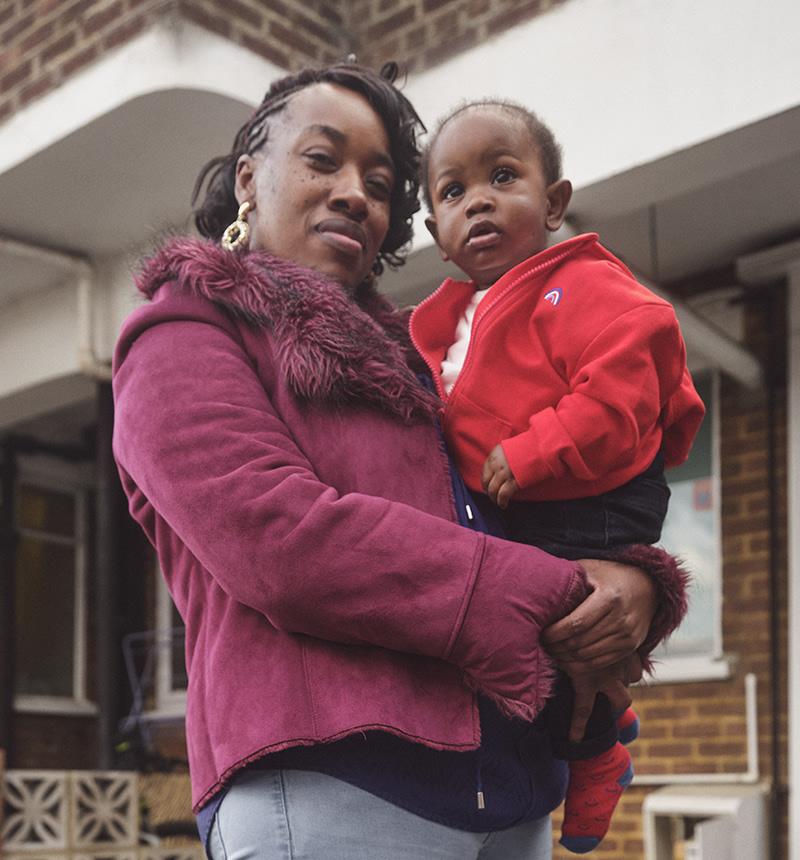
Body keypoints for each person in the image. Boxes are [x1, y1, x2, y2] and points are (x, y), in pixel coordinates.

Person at [112, 63, 689, 860]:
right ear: (249, 176)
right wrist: (558, 594)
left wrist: (630, 583)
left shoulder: (434, 355)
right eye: (323, 160)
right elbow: (281, 542)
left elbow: (544, 501)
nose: (356, 193)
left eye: (381, 184)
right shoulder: (184, 332)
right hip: (334, 784)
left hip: (512, 793)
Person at [410, 99, 705, 852]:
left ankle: (597, 753)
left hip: (596, 492)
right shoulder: (447, 326)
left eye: (502, 176)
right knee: (530, 626)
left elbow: (625, 388)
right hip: (542, 499)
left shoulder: (583, 285)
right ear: (437, 238)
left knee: (552, 621)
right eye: (452, 192)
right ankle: (607, 709)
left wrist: (533, 451)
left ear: (554, 202)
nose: (477, 199)